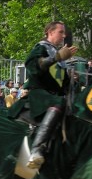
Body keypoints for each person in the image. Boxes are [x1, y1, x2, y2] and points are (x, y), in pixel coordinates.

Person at [9, 21, 78, 169]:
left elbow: (62, 84)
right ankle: (36, 150)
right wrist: (56, 58)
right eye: (61, 32)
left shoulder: (58, 54)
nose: (64, 35)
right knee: (58, 103)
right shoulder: (41, 47)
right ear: (50, 32)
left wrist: (73, 79)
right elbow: (33, 65)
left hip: (55, 95)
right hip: (40, 95)